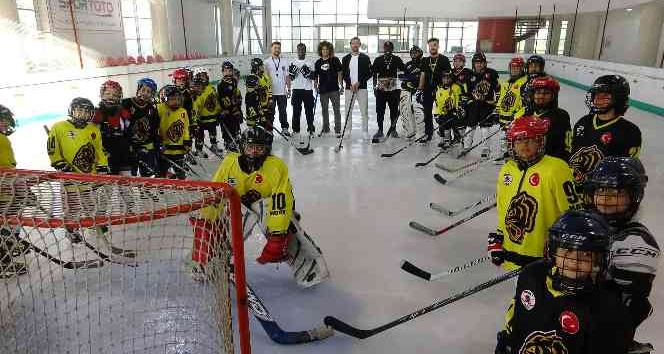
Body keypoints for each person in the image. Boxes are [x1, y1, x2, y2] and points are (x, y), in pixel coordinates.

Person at [496, 210, 634, 354]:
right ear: (553, 252)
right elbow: (516, 323)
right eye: (567, 251)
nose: (573, 263)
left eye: (586, 255)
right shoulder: (532, 276)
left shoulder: (608, 310)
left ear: (599, 260)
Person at [583, 157, 659, 350]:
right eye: (600, 190)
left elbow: (630, 307)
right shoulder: (592, 228)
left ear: (634, 197)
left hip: (602, 335)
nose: (605, 198)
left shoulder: (637, 242)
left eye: (615, 192)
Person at [488, 116, 580, 271]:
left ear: (540, 141)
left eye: (531, 139)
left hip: (545, 256)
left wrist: (565, 246)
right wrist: (499, 235)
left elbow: (573, 213)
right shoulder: (507, 170)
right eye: (518, 141)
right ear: (511, 144)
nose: (524, 145)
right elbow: (504, 207)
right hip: (513, 251)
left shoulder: (557, 169)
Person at [47, 97, 111, 244]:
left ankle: (94, 223)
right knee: (73, 206)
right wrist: (58, 162)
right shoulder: (59, 127)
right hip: (70, 176)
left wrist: (102, 165)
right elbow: (52, 149)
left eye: (86, 112)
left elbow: (99, 151)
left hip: (90, 176)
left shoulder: (93, 129)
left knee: (93, 203)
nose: (83, 114)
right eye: (79, 110)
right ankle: (71, 229)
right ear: (72, 110)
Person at [570, 75, 641, 183]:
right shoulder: (583, 122)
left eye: (605, 95)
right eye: (597, 94)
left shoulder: (630, 132)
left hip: (603, 192)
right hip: (575, 185)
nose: (598, 99)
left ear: (619, 98)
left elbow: (628, 169)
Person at [0, 104, 28, 278]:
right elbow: (7, 170)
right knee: (10, 221)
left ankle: (11, 244)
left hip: (5, 187)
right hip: (4, 190)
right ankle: (4, 261)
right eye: (2, 120)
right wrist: (21, 188)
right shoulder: (2, 139)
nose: (5, 123)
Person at [515, 76, 572, 161]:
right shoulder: (526, 113)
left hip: (549, 163)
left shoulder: (561, 116)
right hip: (528, 161)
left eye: (546, 93)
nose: (541, 96)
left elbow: (565, 147)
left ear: (553, 96)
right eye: (538, 92)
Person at [122, 78, 160, 177]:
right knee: (131, 176)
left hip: (146, 148)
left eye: (149, 92)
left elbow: (154, 129)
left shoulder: (152, 109)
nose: (145, 93)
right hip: (130, 149)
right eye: (143, 90)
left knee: (148, 176)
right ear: (138, 90)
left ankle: (147, 192)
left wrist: (157, 145)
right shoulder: (125, 104)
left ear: (152, 95)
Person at [464, 52, 499, 158]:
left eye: (481, 62)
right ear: (473, 64)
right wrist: (466, 102)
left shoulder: (491, 73)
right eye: (476, 63)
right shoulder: (470, 76)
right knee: (470, 127)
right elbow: (467, 92)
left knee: (485, 128)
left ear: (484, 63)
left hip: (486, 105)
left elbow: (497, 89)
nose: (478, 65)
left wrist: (496, 104)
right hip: (474, 106)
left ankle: (486, 148)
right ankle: (466, 146)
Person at [92, 80, 132, 175]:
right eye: (108, 93)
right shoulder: (95, 113)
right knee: (108, 187)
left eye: (114, 95)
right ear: (102, 95)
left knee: (126, 185)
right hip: (104, 157)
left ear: (119, 97)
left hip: (123, 156)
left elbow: (129, 132)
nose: (111, 97)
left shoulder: (124, 113)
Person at [416, 38, 452, 142]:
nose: (432, 47)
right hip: (427, 89)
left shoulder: (444, 59)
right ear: (428, 47)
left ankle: (442, 134)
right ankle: (428, 133)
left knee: (442, 112)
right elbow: (422, 75)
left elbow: (448, 76)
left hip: (440, 90)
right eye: (431, 45)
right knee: (427, 112)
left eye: (435, 45)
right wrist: (420, 89)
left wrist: (446, 90)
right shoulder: (425, 60)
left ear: (438, 46)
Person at [371, 41, 406, 142]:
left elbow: (403, 70)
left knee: (394, 110)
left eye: (389, 48)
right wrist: (374, 88)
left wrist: (402, 84)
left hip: (393, 89)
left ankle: (393, 129)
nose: (388, 50)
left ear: (392, 49)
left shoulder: (396, 59)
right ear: (383, 49)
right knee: (380, 111)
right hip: (381, 89)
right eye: (386, 48)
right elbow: (374, 74)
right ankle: (380, 130)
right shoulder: (378, 60)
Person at [157, 85, 190, 179]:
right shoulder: (160, 109)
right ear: (166, 99)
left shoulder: (183, 111)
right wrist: (158, 141)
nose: (176, 102)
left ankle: (181, 183)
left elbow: (186, 128)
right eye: (172, 99)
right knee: (162, 172)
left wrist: (187, 142)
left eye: (178, 99)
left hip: (179, 149)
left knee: (180, 172)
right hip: (165, 149)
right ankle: (163, 182)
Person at [341, 37, 372, 140]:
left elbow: (369, 73)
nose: (355, 45)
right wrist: (349, 83)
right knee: (348, 111)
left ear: (359, 45)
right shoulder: (345, 59)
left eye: (357, 43)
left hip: (362, 88)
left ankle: (365, 131)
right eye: (353, 43)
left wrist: (359, 82)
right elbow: (344, 74)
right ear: (350, 45)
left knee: (364, 111)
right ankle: (348, 130)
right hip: (349, 88)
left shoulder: (365, 58)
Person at [288, 43, 317, 144]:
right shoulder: (292, 62)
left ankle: (311, 129)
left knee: (309, 111)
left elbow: (314, 77)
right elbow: (291, 78)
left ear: (305, 51)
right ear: (297, 50)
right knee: (296, 111)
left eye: (303, 49)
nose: (301, 51)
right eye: (299, 49)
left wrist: (309, 73)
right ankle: (296, 130)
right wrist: (292, 74)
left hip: (308, 90)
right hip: (296, 89)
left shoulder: (310, 62)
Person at [314, 41, 344, 137]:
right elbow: (316, 76)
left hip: (334, 89)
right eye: (323, 49)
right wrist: (315, 85)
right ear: (320, 51)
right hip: (323, 90)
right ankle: (326, 128)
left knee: (336, 110)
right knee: (324, 110)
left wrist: (341, 85)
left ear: (329, 50)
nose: (325, 51)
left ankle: (338, 130)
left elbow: (340, 72)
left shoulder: (334, 60)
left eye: (327, 49)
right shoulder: (318, 62)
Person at [191, 69, 222, 155]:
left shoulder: (211, 88)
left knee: (213, 132)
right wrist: (194, 120)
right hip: (201, 119)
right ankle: (199, 149)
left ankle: (214, 145)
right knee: (200, 135)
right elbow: (195, 107)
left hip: (212, 117)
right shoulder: (196, 93)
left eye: (204, 76)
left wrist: (219, 111)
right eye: (200, 76)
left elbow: (216, 101)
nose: (202, 78)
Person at [397, 46, 425, 140]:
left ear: (420, 53)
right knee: (404, 110)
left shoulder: (423, 63)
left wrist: (411, 78)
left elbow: (423, 77)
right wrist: (411, 78)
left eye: (416, 53)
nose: (414, 55)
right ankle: (409, 131)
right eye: (412, 53)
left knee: (419, 111)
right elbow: (401, 76)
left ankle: (421, 132)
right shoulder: (408, 64)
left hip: (419, 90)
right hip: (406, 90)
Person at [265, 42, 291, 135]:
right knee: (270, 112)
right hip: (271, 93)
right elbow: (265, 78)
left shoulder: (284, 61)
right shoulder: (267, 62)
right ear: (271, 49)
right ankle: (269, 129)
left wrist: (289, 89)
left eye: (279, 48)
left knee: (283, 112)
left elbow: (287, 76)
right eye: (275, 48)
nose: (277, 50)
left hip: (282, 92)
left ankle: (284, 128)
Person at [217, 61, 243, 151]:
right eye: (226, 71)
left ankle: (236, 137)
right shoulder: (221, 84)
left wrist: (237, 104)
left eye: (230, 71)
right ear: (222, 72)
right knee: (227, 126)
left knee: (235, 123)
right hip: (225, 110)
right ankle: (228, 142)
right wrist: (226, 109)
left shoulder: (234, 81)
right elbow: (222, 99)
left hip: (233, 108)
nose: (228, 73)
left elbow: (235, 94)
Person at [434, 70, 463, 149]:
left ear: (451, 78)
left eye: (448, 78)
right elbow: (438, 102)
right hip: (442, 111)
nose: (446, 80)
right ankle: (443, 139)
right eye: (444, 78)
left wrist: (457, 109)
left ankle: (451, 139)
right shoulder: (439, 89)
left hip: (452, 111)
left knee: (450, 125)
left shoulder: (455, 87)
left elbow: (458, 99)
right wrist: (437, 113)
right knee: (442, 124)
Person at [496, 57, 527, 127]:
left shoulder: (525, 83)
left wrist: (516, 116)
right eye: (512, 68)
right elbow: (501, 98)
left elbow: (526, 105)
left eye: (517, 68)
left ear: (522, 69)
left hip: (516, 121)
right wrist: (497, 111)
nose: (514, 70)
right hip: (503, 120)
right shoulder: (505, 83)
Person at [251, 58, 274, 128]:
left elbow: (269, 87)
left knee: (269, 120)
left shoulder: (265, 76)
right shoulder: (253, 78)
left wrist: (270, 99)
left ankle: (269, 135)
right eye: (261, 66)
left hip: (266, 104)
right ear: (256, 67)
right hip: (258, 106)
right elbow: (252, 94)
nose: (263, 67)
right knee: (261, 124)